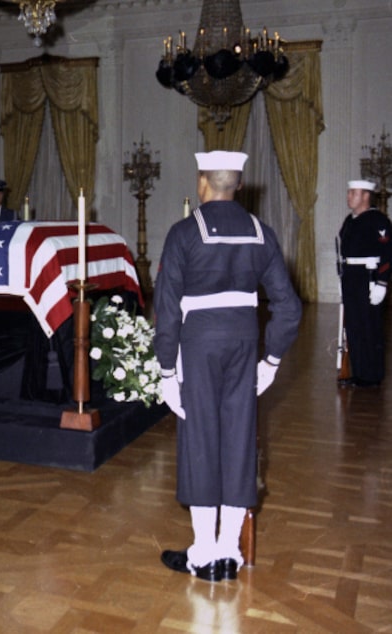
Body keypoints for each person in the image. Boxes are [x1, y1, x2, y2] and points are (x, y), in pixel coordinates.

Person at [153, 151, 301, 582]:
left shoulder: (185, 233)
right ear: (237, 184)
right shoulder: (261, 233)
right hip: (243, 342)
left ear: (203, 182)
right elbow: (288, 307)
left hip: (198, 345)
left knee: (200, 439)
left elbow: (166, 310)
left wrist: (166, 370)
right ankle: (228, 553)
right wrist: (270, 359)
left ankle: (202, 553)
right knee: (238, 440)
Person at [337, 179, 392, 388]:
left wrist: (381, 282)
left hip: (369, 278)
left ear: (366, 196)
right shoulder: (350, 220)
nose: (349, 197)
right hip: (352, 277)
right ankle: (359, 372)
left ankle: (372, 375)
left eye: (353, 193)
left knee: (370, 327)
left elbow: (388, 253)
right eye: (349, 192)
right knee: (354, 327)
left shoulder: (378, 220)